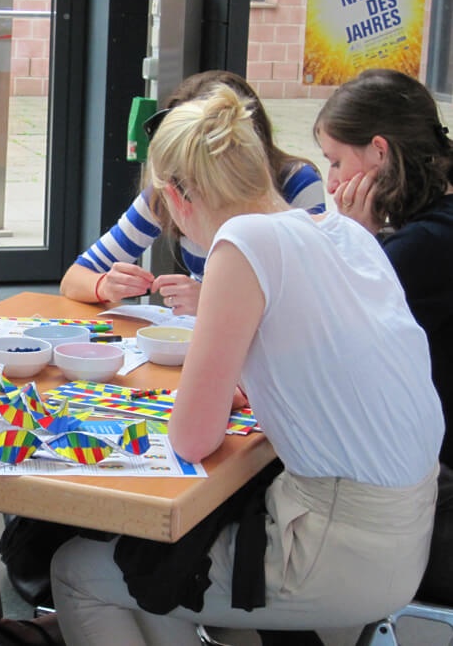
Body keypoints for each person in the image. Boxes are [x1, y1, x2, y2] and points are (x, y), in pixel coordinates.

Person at [45, 83, 442, 645]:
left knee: (80, 570)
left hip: (332, 545)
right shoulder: (346, 233)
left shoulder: (242, 240)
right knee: (153, 570)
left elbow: (191, 439)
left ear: (180, 196)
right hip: (403, 530)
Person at [314, 68, 453, 606]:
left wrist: (357, 238)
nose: (330, 182)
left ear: (378, 152)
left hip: (432, 495)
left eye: (335, 160)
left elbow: (333, 347)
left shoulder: (423, 246)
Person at [60, 70, 324, 314]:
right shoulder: (168, 190)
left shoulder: (295, 182)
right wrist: (105, 285)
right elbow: (74, 278)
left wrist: (214, 300)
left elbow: (309, 302)